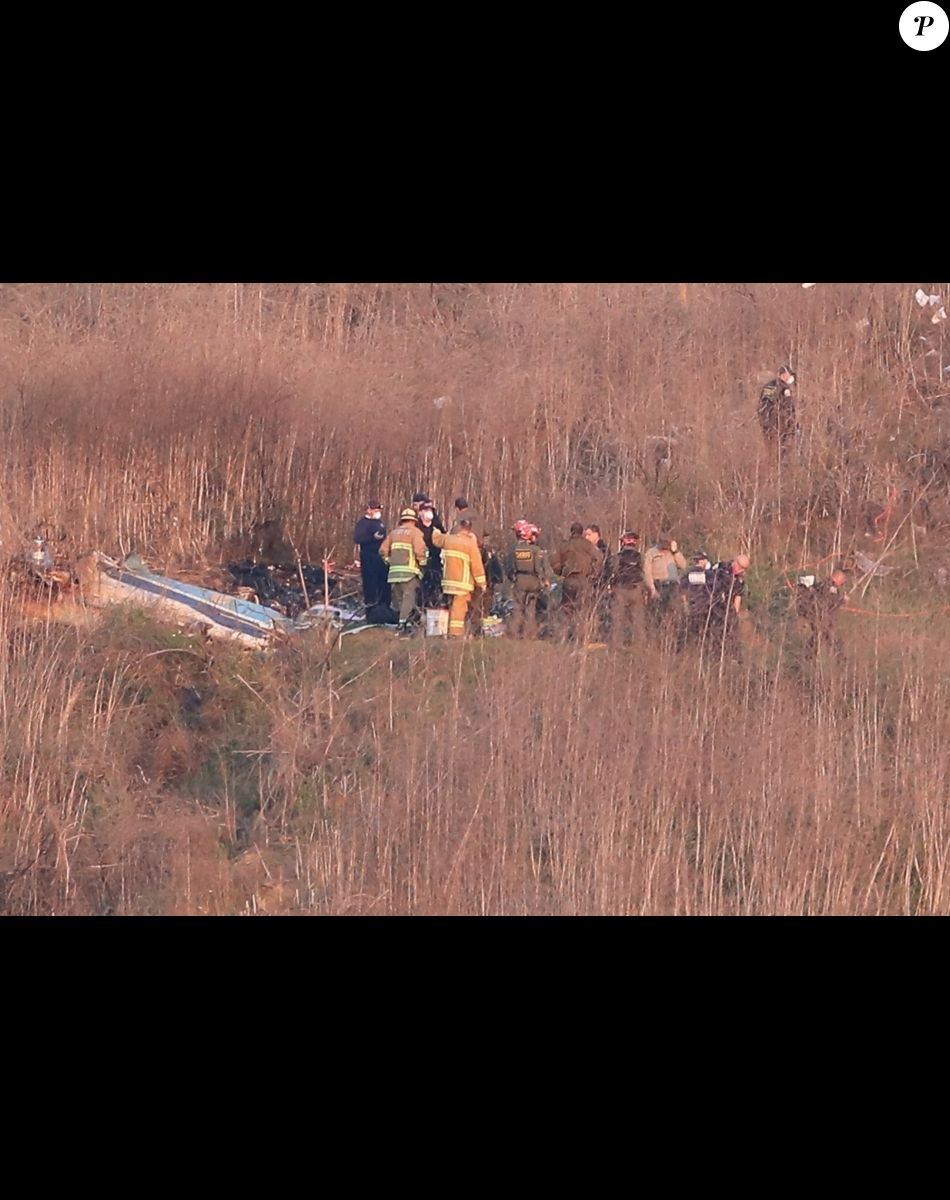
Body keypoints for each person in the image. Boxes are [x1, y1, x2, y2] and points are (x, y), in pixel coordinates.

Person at [432, 520, 486, 637]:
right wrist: (482, 583)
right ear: (470, 529)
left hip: (447, 582)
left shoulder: (449, 539)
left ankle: (443, 631)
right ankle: (455, 634)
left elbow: (437, 540)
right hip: (462, 583)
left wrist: (434, 529)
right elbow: (477, 566)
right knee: (459, 609)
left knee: (451, 607)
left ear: (460, 527)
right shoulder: (470, 544)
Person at [380, 507, 428, 631]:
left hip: (394, 573)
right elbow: (420, 551)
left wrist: (389, 562)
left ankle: (404, 620)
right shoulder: (415, 533)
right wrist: (423, 563)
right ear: (414, 520)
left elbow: (382, 551)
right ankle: (402, 624)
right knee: (409, 598)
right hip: (409, 572)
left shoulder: (393, 533)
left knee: (400, 599)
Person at [551, 523, 602, 637]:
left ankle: (563, 636)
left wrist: (560, 571)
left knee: (566, 609)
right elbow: (599, 557)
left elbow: (554, 561)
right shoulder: (587, 545)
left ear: (571, 531)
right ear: (581, 532)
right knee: (583, 609)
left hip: (568, 579)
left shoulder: (564, 545)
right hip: (583, 579)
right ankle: (581, 636)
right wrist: (593, 573)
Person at [506, 522, 553, 638]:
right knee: (531, 608)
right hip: (534, 581)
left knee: (517, 607)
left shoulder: (515, 550)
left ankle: (514, 633)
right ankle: (529, 634)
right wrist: (545, 580)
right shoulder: (537, 550)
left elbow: (509, 567)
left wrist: (512, 578)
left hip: (520, 580)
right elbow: (541, 568)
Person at [705, 553, 750, 658]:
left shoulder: (740, 580)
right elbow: (709, 582)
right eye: (740, 566)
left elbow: (738, 596)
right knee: (713, 632)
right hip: (713, 605)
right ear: (735, 562)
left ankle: (732, 656)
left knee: (731, 631)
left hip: (726, 608)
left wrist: (735, 613)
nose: (741, 570)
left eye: (744, 568)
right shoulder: (721, 567)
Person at [795, 567, 848, 657]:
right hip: (822, 620)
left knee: (818, 640)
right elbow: (829, 603)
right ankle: (841, 662)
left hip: (817, 619)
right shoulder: (831, 587)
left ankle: (807, 658)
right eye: (843, 580)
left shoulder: (821, 584)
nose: (843, 583)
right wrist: (842, 600)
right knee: (832, 642)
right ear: (839, 578)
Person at [352, 502, 390, 610]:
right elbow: (357, 539)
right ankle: (371, 606)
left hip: (381, 557)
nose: (378, 513)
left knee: (384, 582)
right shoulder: (363, 523)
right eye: (375, 510)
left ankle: (384, 606)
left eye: (379, 511)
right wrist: (372, 538)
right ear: (369, 510)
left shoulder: (380, 523)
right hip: (368, 556)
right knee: (370, 582)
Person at [610, 531, 645, 645]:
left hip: (621, 589)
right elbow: (643, 573)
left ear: (623, 542)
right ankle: (640, 646)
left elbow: (614, 571)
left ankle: (617, 645)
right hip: (636, 589)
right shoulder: (640, 556)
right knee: (638, 620)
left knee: (618, 619)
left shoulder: (617, 556)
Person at [642, 536, 688, 622]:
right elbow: (647, 572)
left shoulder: (673, 552)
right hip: (659, 586)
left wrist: (675, 552)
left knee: (675, 613)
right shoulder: (651, 553)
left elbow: (683, 566)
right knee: (658, 614)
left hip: (673, 586)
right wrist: (652, 589)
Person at [758, 365, 797, 450]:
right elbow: (788, 407)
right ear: (783, 375)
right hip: (778, 425)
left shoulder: (770, 386)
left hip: (770, 425)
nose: (791, 378)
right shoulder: (780, 387)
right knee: (779, 451)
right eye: (789, 375)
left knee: (772, 450)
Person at [679, 550, 714, 645]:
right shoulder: (709, 574)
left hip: (692, 606)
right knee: (706, 633)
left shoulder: (688, 574)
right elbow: (714, 590)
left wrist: (685, 606)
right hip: (706, 607)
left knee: (692, 633)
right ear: (702, 561)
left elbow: (682, 591)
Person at [416, 502, 446, 608]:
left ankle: (434, 605)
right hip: (421, 562)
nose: (429, 513)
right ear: (420, 513)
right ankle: (420, 608)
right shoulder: (417, 527)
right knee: (421, 588)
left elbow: (444, 538)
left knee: (436, 585)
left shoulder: (437, 525)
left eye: (430, 510)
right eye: (426, 510)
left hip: (435, 560)